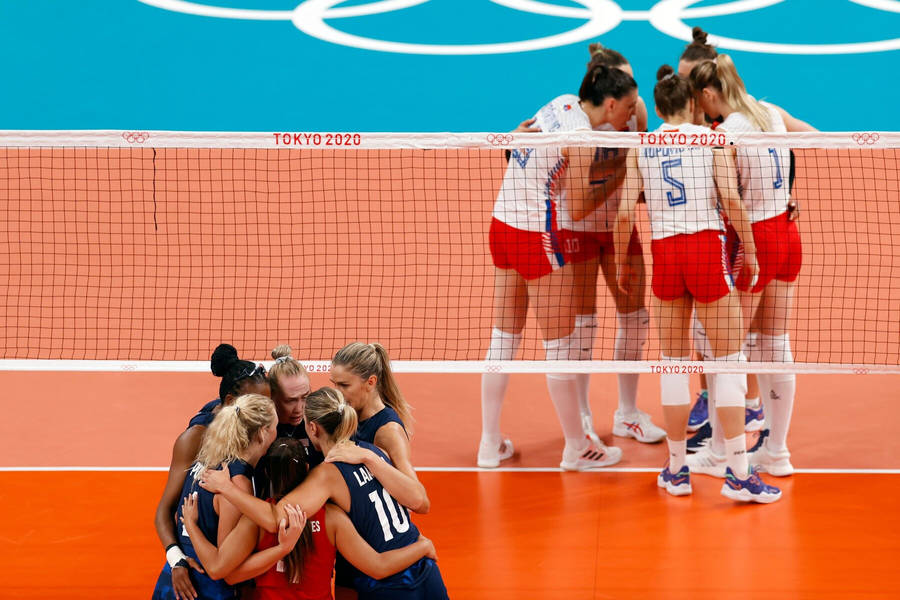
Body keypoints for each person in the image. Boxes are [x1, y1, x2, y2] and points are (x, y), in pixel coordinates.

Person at [614, 65, 781, 503]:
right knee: (728, 362)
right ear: (691, 104)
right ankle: (739, 473)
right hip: (705, 250)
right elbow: (731, 199)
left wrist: (620, 265)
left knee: (673, 364)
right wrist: (752, 249)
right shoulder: (711, 140)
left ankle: (675, 471)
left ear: (658, 106)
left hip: (665, 254)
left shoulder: (642, 146)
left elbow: (626, 213)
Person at [479, 63, 638, 471]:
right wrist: (628, 170)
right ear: (612, 104)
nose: (632, 116)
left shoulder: (560, 102)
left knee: (503, 339)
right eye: (630, 107)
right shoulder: (583, 136)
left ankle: (489, 443)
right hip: (536, 235)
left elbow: (514, 140)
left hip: (501, 223)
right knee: (560, 350)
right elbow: (582, 205)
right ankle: (576, 448)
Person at [198, 387, 451, 599]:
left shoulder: (327, 474)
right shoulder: (372, 452)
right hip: (426, 569)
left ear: (313, 428)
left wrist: (227, 488)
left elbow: (276, 519)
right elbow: (420, 502)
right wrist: (423, 545)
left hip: (393, 582)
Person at [690, 54, 803, 477]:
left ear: (708, 93)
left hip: (753, 241)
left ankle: (721, 453)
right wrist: (787, 190)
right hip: (788, 236)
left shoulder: (727, 133)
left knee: (726, 350)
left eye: (702, 103)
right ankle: (776, 451)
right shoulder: (770, 111)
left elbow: (722, 197)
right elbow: (815, 138)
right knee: (775, 347)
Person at [182, 438, 438, 600]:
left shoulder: (255, 520)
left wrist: (191, 525)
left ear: (267, 473)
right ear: (307, 471)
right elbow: (379, 565)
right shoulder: (333, 519)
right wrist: (423, 546)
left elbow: (226, 574)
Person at [154, 344, 270, 600]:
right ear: (231, 403)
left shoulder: (251, 427)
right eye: (259, 403)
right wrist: (177, 559)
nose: (267, 411)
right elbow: (165, 510)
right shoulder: (195, 439)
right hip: (207, 571)